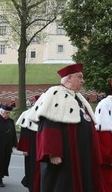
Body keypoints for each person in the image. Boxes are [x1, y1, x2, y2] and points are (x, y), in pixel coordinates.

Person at [30, 63, 103, 192]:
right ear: (69, 78)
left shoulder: (77, 98)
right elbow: (48, 124)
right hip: (65, 156)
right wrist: (52, 153)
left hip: (81, 154)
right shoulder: (55, 93)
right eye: (79, 77)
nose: (82, 81)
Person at [16, 104, 39, 192]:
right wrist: (25, 148)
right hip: (31, 145)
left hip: (42, 144)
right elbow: (24, 133)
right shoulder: (27, 114)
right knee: (31, 167)